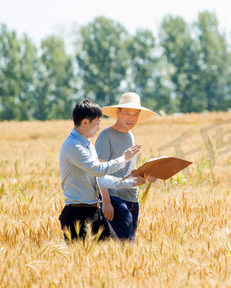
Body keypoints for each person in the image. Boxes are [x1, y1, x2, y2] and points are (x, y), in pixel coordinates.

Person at [58, 99, 146, 241]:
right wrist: (123, 158)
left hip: (93, 210)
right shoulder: (73, 146)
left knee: (112, 251)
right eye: (98, 122)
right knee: (79, 260)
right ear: (86, 122)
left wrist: (130, 182)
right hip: (77, 213)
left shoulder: (87, 145)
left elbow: (101, 178)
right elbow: (98, 170)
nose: (99, 127)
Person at [96, 92, 157, 242]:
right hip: (115, 198)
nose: (131, 118)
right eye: (127, 113)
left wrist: (146, 176)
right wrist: (106, 201)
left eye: (135, 114)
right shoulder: (106, 136)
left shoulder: (131, 136)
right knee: (124, 243)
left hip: (132, 197)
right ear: (118, 112)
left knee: (129, 244)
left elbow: (129, 170)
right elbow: (99, 171)